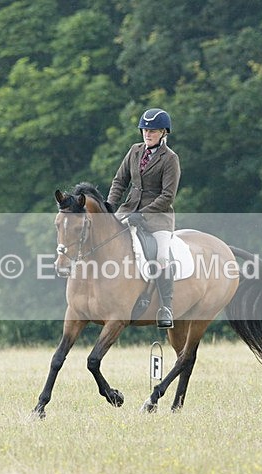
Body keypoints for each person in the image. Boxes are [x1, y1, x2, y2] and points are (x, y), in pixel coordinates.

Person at [107, 108, 180, 328]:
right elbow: (120, 181)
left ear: (163, 132)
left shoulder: (170, 159)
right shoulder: (134, 151)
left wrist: (143, 214)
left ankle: (166, 306)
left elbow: (167, 196)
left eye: (153, 131)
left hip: (158, 217)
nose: (147, 134)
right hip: (128, 210)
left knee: (161, 256)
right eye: (145, 130)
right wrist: (110, 206)